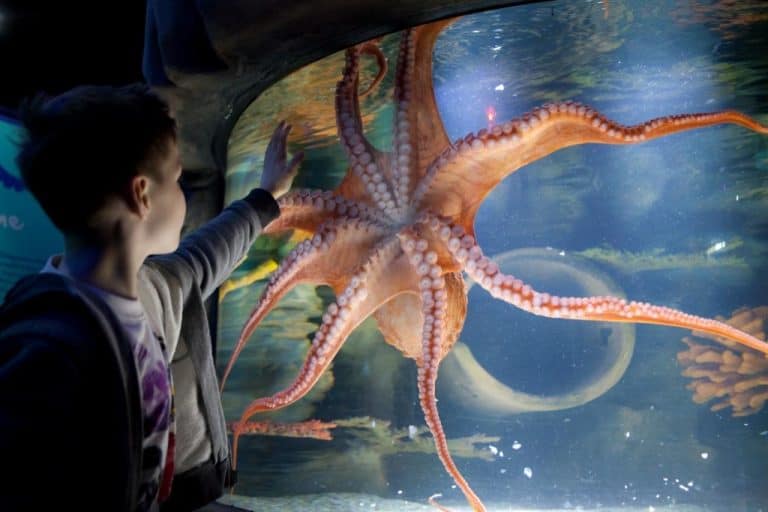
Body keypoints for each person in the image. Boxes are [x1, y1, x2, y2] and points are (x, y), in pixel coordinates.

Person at [0, 83, 302, 512]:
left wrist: (265, 198)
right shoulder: (49, 346)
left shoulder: (153, 287)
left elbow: (202, 258)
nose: (183, 195)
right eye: (178, 179)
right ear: (142, 195)